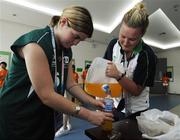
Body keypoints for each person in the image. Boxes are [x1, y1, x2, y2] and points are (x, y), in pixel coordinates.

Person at [0, 6, 113, 140]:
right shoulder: (36, 44)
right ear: (63, 22)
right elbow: (46, 95)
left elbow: (70, 84)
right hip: (18, 113)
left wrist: (92, 102)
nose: (76, 43)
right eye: (75, 36)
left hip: (43, 113)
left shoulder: (66, 50)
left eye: (80, 40)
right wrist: (89, 115)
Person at [104, 2, 157, 120]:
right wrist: (104, 96)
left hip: (137, 110)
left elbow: (137, 91)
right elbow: (105, 72)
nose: (125, 42)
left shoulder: (147, 55)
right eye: (122, 36)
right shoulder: (113, 45)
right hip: (115, 105)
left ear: (141, 35)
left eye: (132, 39)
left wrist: (118, 75)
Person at [55, 64, 79, 137]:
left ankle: (64, 127)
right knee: (67, 107)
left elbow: (74, 82)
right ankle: (68, 123)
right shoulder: (64, 73)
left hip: (68, 90)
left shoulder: (73, 74)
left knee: (65, 108)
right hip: (67, 89)